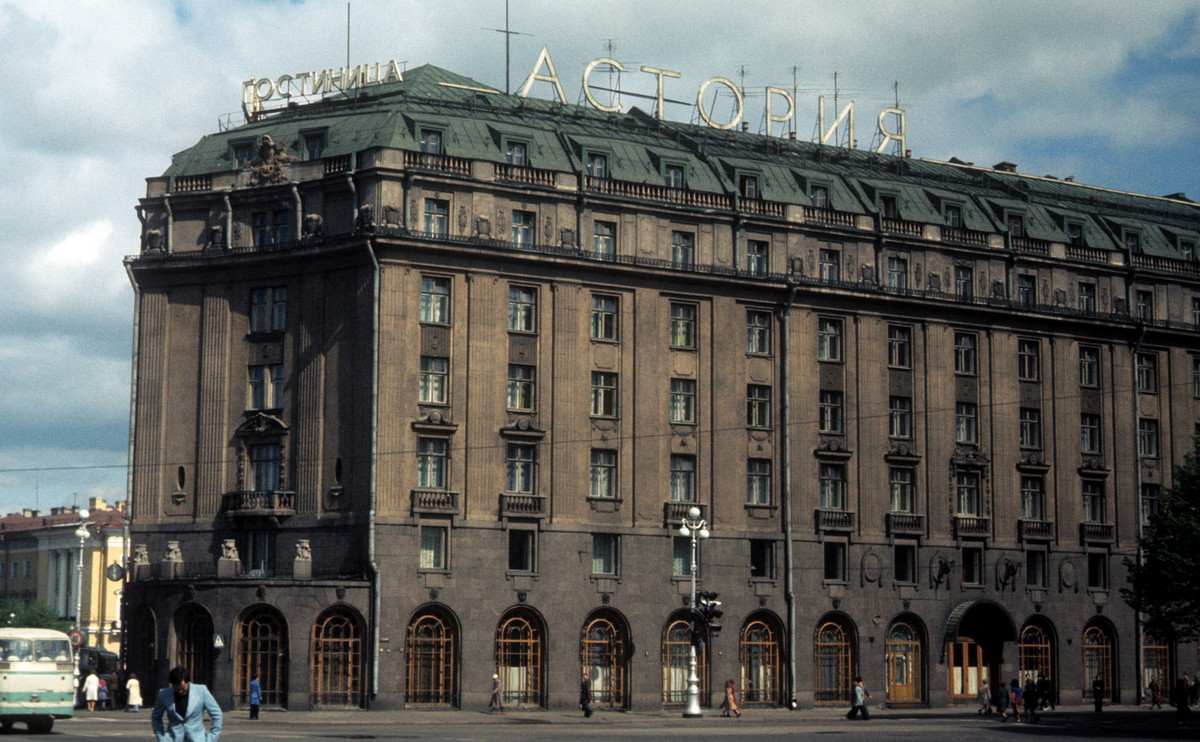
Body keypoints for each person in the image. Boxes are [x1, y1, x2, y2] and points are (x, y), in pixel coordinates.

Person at [151, 665, 223, 742]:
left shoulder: (201, 691)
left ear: (187, 682)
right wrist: (162, 738)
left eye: (183, 688)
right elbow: (156, 717)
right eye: (176, 689)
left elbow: (217, 713)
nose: (180, 691)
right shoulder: (164, 694)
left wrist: (212, 737)